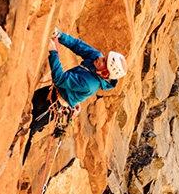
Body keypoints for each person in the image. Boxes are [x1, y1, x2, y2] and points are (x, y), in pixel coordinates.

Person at [23, 29, 127, 160]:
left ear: (105, 73)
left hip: (51, 105)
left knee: (29, 130)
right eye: (104, 57)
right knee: (25, 106)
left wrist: (53, 52)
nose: (100, 57)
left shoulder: (90, 84)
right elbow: (78, 45)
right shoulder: (96, 59)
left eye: (103, 61)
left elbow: (60, 79)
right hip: (51, 94)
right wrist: (60, 36)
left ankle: (15, 164)